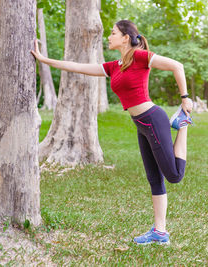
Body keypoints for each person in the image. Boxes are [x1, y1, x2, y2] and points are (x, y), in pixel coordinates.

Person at [31, 19, 193, 245]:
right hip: (141, 123)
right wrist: (44, 60)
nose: (109, 36)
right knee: (154, 178)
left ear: (126, 37)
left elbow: (178, 66)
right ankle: (160, 232)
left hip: (153, 119)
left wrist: (185, 98)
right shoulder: (115, 66)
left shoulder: (140, 56)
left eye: (113, 33)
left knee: (174, 176)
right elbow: (78, 67)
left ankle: (183, 123)